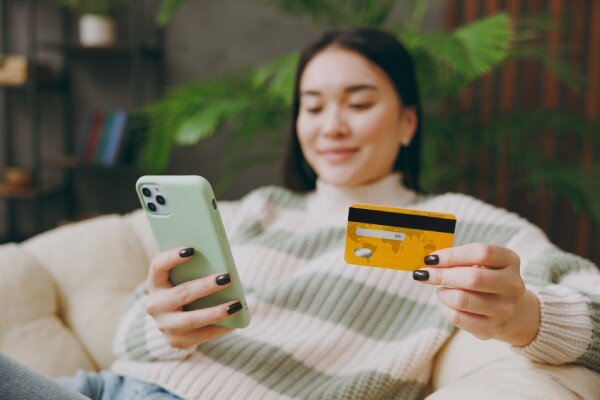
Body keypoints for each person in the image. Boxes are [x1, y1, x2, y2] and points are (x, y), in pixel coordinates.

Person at [1, 28, 599, 400]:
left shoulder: (466, 224)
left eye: (359, 103)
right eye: (312, 107)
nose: (331, 126)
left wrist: (523, 315)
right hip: (105, 386)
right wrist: (161, 323)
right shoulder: (255, 209)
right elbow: (126, 337)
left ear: (408, 122)